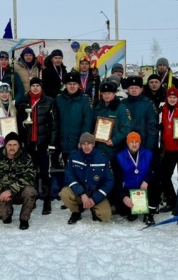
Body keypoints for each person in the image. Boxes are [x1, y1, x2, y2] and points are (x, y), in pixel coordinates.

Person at [17, 78, 58, 215]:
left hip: (43, 144)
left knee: (45, 174)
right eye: (33, 86)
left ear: (41, 87)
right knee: (30, 173)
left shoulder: (49, 101)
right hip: (29, 144)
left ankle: (47, 202)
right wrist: (23, 125)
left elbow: (54, 125)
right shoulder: (23, 101)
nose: (35, 88)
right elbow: (17, 121)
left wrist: (52, 143)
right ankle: (31, 200)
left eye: (37, 86)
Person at [0, 133, 37, 230]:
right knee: (2, 215)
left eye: (15, 145)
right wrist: (0, 192)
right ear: (5, 145)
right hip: (3, 193)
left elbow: (30, 176)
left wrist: (11, 190)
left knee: (31, 191)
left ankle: (24, 219)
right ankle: (8, 213)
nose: (12, 148)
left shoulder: (26, 158)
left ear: (19, 146)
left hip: (20, 191)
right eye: (9, 145)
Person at [92, 80, 131, 209]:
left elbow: (126, 128)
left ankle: (117, 202)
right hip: (100, 149)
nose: (106, 96)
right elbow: (93, 125)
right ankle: (104, 201)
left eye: (109, 93)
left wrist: (114, 140)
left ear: (114, 94)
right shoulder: (98, 107)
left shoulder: (121, 108)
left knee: (115, 177)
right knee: (101, 177)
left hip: (115, 150)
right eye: (104, 93)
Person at [61, 133, 114, 224]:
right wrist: (82, 194)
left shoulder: (102, 158)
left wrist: (94, 199)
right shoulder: (74, 156)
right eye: (83, 144)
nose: (86, 146)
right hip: (80, 193)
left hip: (95, 194)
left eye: (89, 143)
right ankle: (76, 211)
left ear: (93, 144)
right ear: (80, 145)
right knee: (64, 193)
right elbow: (69, 176)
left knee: (105, 216)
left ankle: (93, 208)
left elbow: (109, 181)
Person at [157, 87, 178, 215]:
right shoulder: (162, 110)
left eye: (174, 97)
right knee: (164, 177)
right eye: (170, 97)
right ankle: (172, 201)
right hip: (168, 149)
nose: (172, 99)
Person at [114, 132, 158, 224]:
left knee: (156, 184)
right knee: (123, 210)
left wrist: (147, 180)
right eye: (131, 142)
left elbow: (157, 171)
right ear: (127, 143)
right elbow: (117, 180)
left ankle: (149, 214)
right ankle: (131, 210)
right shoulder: (119, 157)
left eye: (136, 142)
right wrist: (124, 197)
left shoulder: (148, 154)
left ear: (140, 142)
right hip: (129, 189)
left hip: (145, 188)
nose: (134, 144)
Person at [55, 72, 94, 170]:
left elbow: (88, 122)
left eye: (74, 84)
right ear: (65, 85)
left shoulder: (85, 100)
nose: (72, 86)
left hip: (78, 142)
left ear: (78, 85)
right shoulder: (59, 99)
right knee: (65, 170)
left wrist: (83, 140)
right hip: (62, 141)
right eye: (69, 84)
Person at [122, 76, 159, 151]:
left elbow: (153, 126)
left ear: (141, 89)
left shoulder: (148, 104)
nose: (134, 90)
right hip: (125, 144)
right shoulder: (123, 104)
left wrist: (149, 146)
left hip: (143, 144)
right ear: (127, 89)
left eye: (136, 88)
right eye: (131, 88)